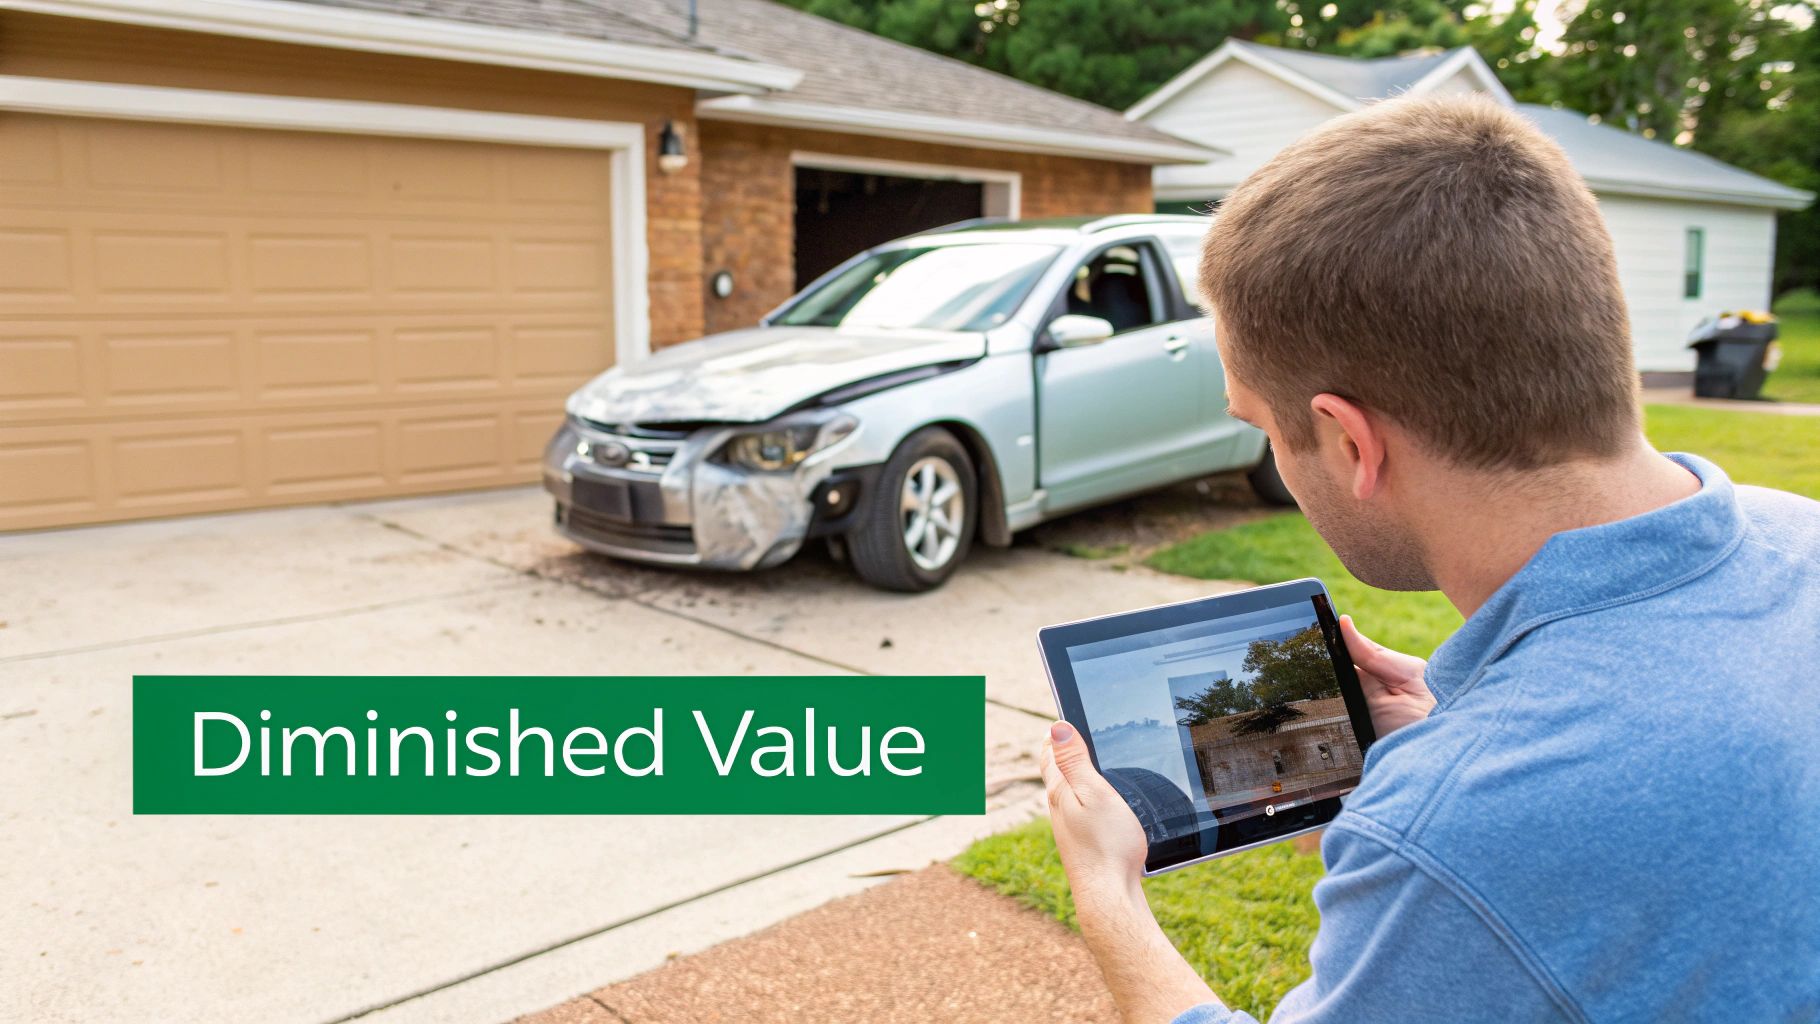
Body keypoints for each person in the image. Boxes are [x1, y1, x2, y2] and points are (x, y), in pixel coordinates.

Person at [1039, 95, 1820, 1023]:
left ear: (1349, 443)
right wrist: (1464, 720)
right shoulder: (1798, 535)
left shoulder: (1455, 837)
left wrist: (1108, 895)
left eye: (1261, 427)